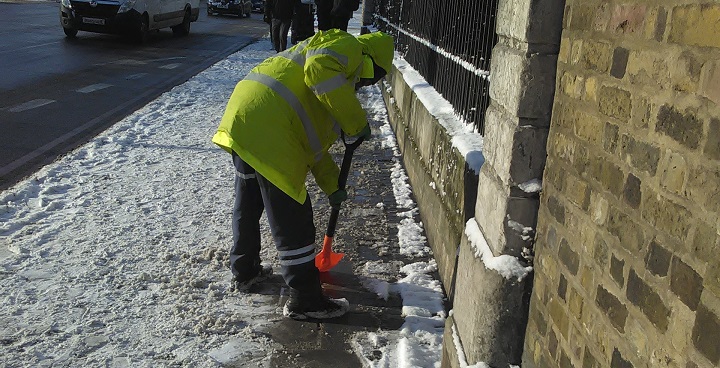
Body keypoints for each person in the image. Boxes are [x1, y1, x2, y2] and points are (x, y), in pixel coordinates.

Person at [212, 30, 394, 320]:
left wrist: (333, 186)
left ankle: (244, 271)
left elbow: (313, 148)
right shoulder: (348, 47)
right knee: (293, 215)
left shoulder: (328, 87)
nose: (363, 85)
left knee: (249, 201)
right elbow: (318, 68)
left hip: (245, 115)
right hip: (272, 126)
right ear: (372, 62)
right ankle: (305, 299)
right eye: (371, 77)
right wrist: (355, 121)